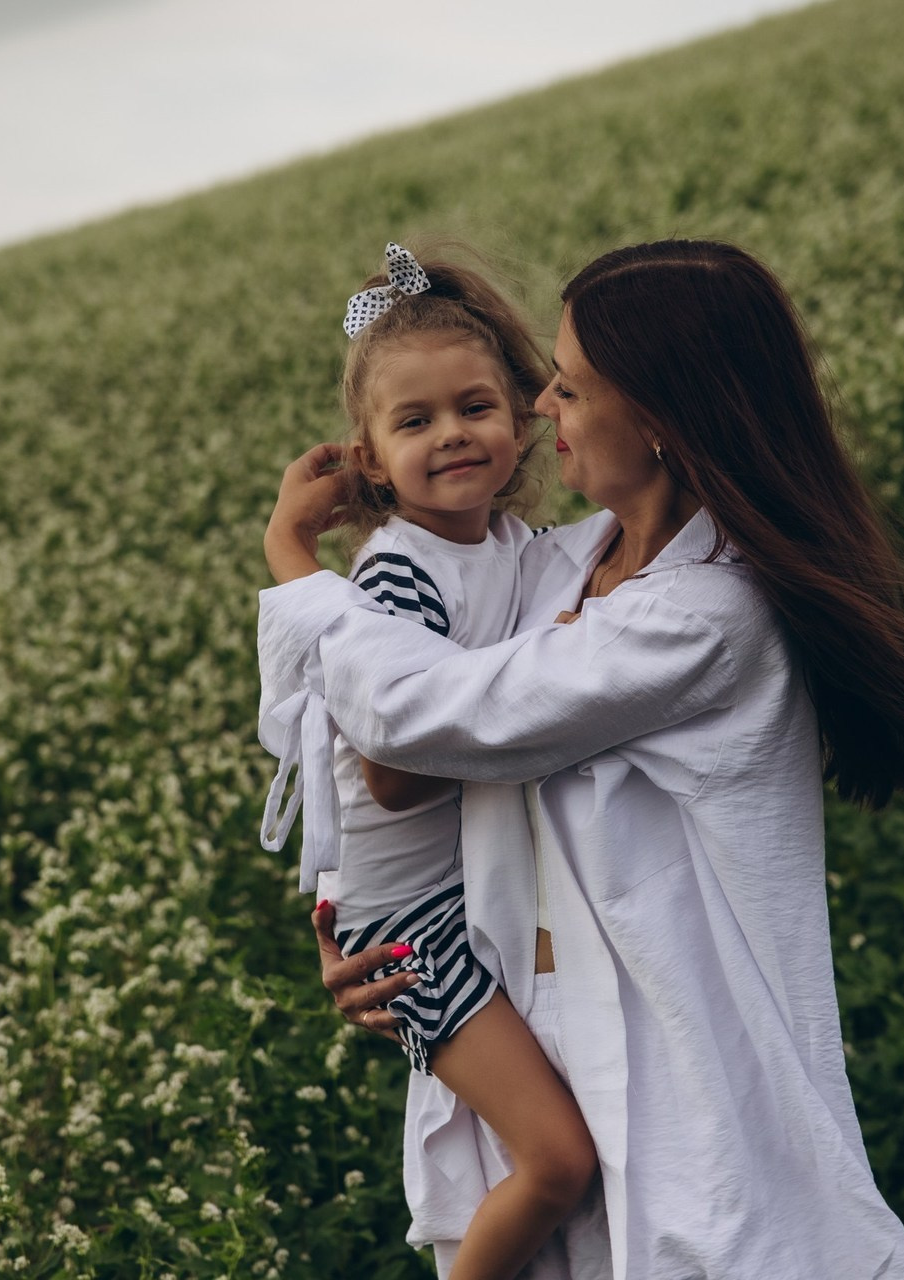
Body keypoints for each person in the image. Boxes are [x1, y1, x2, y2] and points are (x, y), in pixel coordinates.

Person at [258, 239, 904, 1279]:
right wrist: (375, 927)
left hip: (693, 1118)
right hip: (575, 1082)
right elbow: (418, 760)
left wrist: (292, 560)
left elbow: (416, 712)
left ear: (658, 413)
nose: (541, 406)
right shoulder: (563, 567)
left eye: (566, 385)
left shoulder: (702, 614)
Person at [258, 242, 598, 1280]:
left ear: (521, 413)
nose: (451, 434)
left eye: (473, 406)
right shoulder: (400, 574)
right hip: (404, 929)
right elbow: (394, 769)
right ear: (366, 458)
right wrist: (534, 695)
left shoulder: (506, 545)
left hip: (459, 891)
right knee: (554, 1161)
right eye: (413, 422)